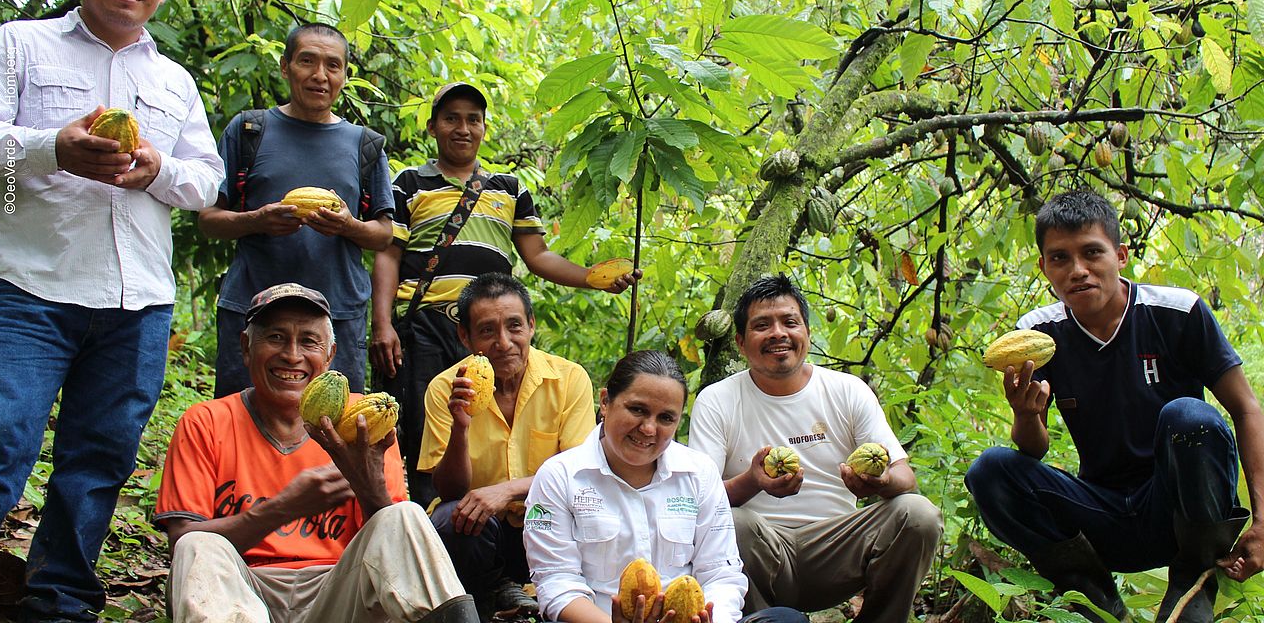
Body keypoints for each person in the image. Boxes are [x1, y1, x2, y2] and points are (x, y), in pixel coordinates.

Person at [0, 0, 224, 620]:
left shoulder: (174, 80)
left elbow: (206, 181)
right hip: (32, 287)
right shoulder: (21, 46)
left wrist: (156, 170)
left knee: (97, 463)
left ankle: (58, 602)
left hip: (138, 302)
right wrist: (48, 149)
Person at [965, 189, 1262, 623]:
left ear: (1120, 255)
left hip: (1178, 510)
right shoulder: (1038, 335)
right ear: (1044, 267)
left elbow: (1247, 408)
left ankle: (1193, 584)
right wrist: (1026, 415)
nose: (1078, 271)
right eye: (1060, 258)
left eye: (1091, 253)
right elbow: (1033, 451)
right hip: (1100, 514)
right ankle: (1098, 603)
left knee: (1189, 417)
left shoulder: (1177, 313)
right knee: (989, 471)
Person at [368, 81, 640, 503]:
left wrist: (591, 277)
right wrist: (382, 324)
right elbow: (388, 255)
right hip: (425, 325)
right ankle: (431, 524)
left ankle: (501, 512)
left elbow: (538, 256)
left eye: (472, 119)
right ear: (432, 127)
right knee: (425, 426)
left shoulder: (509, 188)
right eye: (451, 118)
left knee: (492, 420)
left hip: (489, 331)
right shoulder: (408, 183)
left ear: (483, 128)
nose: (463, 128)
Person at [154, 283, 478, 623]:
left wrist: (367, 484)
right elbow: (181, 542)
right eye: (276, 337)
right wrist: (284, 508)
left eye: (308, 341)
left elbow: (389, 545)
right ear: (247, 348)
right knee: (197, 544)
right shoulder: (206, 422)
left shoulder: (365, 419)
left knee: (403, 517)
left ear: (330, 354)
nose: (292, 355)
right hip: (239, 593)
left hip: (337, 591)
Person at [688, 274, 943, 623]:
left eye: (789, 322)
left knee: (918, 514)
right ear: (740, 342)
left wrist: (881, 482)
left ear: (807, 333)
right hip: (757, 555)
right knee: (733, 522)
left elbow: (905, 476)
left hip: (837, 548)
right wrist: (752, 481)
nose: (778, 333)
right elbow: (698, 502)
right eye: (762, 325)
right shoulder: (717, 400)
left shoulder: (846, 390)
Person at [525, 349, 807, 623]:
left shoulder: (699, 473)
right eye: (637, 410)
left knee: (787, 619)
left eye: (665, 418)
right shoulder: (559, 476)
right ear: (605, 402)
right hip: (599, 618)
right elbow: (557, 581)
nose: (648, 429)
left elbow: (721, 573)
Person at [199, 22, 394, 398]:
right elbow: (208, 220)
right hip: (254, 310)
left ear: (345, 75)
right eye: (307, 61)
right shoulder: (249, 130)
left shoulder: (365, 145)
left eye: (333, 66)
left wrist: (348, 225)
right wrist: (259, 220)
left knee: (330, 431)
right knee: (242, 423)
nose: (320, 75)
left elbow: (383, 234)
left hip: (335, 315)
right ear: (286, 66)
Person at [420, 272, 597, 617]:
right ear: (465, 337)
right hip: (486, 533)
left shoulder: (569, 378)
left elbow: (579, 470)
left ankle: (559, 596)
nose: (503, 342)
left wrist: (506, 491)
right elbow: (449, 487)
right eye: (487, 331)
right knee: (451, 518)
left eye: (514, 326)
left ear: (531, 326)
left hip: (548, 524)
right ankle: (489, 597)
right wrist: (460, 425)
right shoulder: (445, 388)